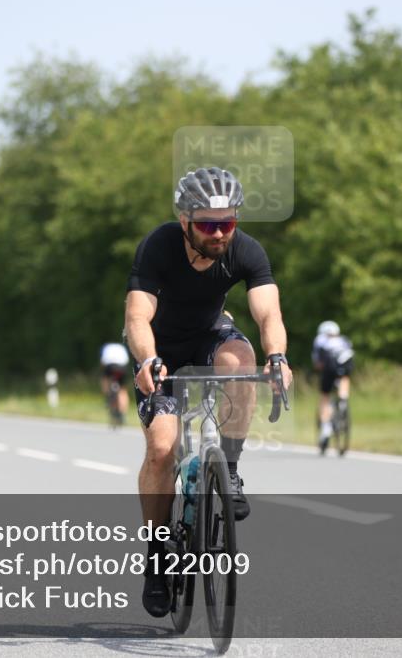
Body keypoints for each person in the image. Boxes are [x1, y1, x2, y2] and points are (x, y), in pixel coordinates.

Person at [124, 166, 292, 617]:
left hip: (209, 334)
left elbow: (268, 314)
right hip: (160, 351)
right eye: (207, 224)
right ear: (184, 221)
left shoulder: (245, 251)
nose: (219, 233)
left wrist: (277, 358)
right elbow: (138, 318)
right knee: (162, 449)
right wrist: (145, 361)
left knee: (242, 357)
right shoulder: (159, 246)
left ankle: (230, 469)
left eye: (227, 223)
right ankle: (157, 558)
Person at [312, 320, 354, 452]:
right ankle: (343, 399)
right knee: (345, 377)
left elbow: (318, 363)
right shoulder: (344, 340)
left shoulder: (320, 340)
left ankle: (325, 429)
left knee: (325, 396)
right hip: (346, 362)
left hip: (329, 367)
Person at [99, 342, 130, 424]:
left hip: (110, 366)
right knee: (123, 390)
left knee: (105, 379)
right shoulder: (121, 348)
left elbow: (102, 362)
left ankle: (107, 396)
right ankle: (123, 412)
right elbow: (126, 361)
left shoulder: (105, 348)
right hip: (122, 367)